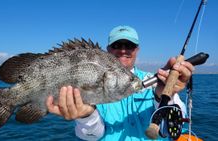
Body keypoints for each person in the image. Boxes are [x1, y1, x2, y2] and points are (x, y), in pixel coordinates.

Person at [46, 25, 194, 140]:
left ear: (137, 50)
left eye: (129, 46)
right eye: (117, 46)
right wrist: (86, 116)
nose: (123, 50)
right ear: (108, 49)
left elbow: (173, 129)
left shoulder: (157, 81)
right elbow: (92, 137)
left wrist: (166, 95)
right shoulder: (96, 79)